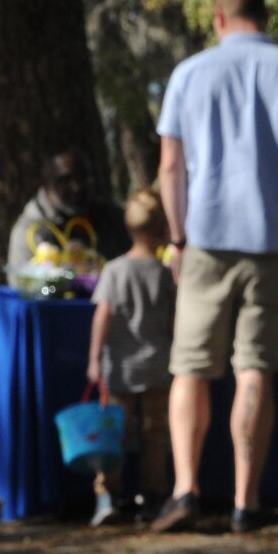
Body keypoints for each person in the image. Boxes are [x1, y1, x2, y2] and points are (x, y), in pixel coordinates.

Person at [153, 0, 278, 535]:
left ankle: (185, 489)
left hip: (204, 240)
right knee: (255, 367)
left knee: (190, 367)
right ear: (266, 14)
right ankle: (244, 500)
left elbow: (169, 167)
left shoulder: (188, 74)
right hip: (274, 242)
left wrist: (177, 238)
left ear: (218, 17)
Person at [85, 189, 177, 525]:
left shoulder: (114, 271)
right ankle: (153, 496)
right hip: (157, 367)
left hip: (120, 368)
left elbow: (103, 316)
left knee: (113, 436)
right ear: (162, 229)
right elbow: (172, 322)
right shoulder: (164, 274)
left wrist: (95, 358)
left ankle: (108, 496)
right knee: (155, 435)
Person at [6, 148, 130, 274]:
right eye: (65, 180)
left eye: (84, 177)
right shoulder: (30, 231)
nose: (77, 187)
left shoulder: (112, 217)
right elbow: (23, 287)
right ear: (46, 184)